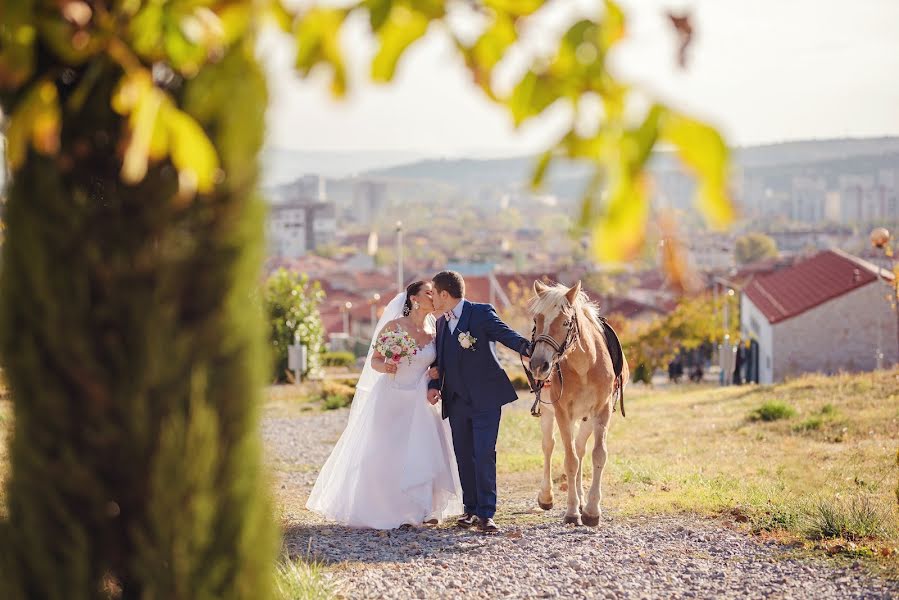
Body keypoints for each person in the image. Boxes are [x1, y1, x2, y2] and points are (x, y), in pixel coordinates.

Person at [306, 281, 462, 529]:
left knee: (423, 451)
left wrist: (435, 373)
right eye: (429, 293)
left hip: (421, 400)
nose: (434, 297)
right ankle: (389, 508)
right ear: (414, 298)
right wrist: (386, 366)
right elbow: (375, 361)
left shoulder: (436, 331)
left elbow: (439, 363)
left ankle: (422, 509)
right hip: (392, 397)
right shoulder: (394, 327)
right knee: (387, 453)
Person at [428, 270, 531, 533]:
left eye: (434, 293)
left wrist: (533, 351)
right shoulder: (440, 324)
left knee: (484, 453)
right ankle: (470, 510)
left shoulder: (481, 312)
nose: (432, 299)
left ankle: (487, 514)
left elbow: (507, 335)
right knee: (463, 456)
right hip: (456, 400)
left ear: (444, 294)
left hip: (485, 398)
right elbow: (438, 362)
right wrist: (432, 386)